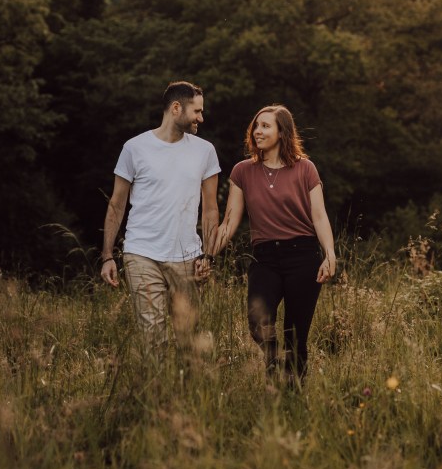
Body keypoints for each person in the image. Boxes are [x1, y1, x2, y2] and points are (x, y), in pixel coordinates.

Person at [212, 104, 336, 385]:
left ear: (282, 132)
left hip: (303, 256)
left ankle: (293, 396)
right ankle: (274, 365)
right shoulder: (243, 171)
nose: (258, 131)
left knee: (296, 335)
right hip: (265, 258)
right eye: (256, 125)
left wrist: (329, 255)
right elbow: (229, 223)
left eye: (266, 126)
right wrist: (208, 256)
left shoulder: (305, 168)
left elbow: (319, 216)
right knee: (258, 324)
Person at [100, 81, 220, 357]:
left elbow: (211, 209)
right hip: (141, 254)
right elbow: (117, 204)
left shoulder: (205, 151)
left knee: (188, 338)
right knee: (153, 338)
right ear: (176, 108)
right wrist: (107, 255)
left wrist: (208, 255)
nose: (201, 118)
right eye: (197, 111)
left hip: (188, 257)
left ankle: (185, 397)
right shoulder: (134, 148)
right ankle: (158, 398)